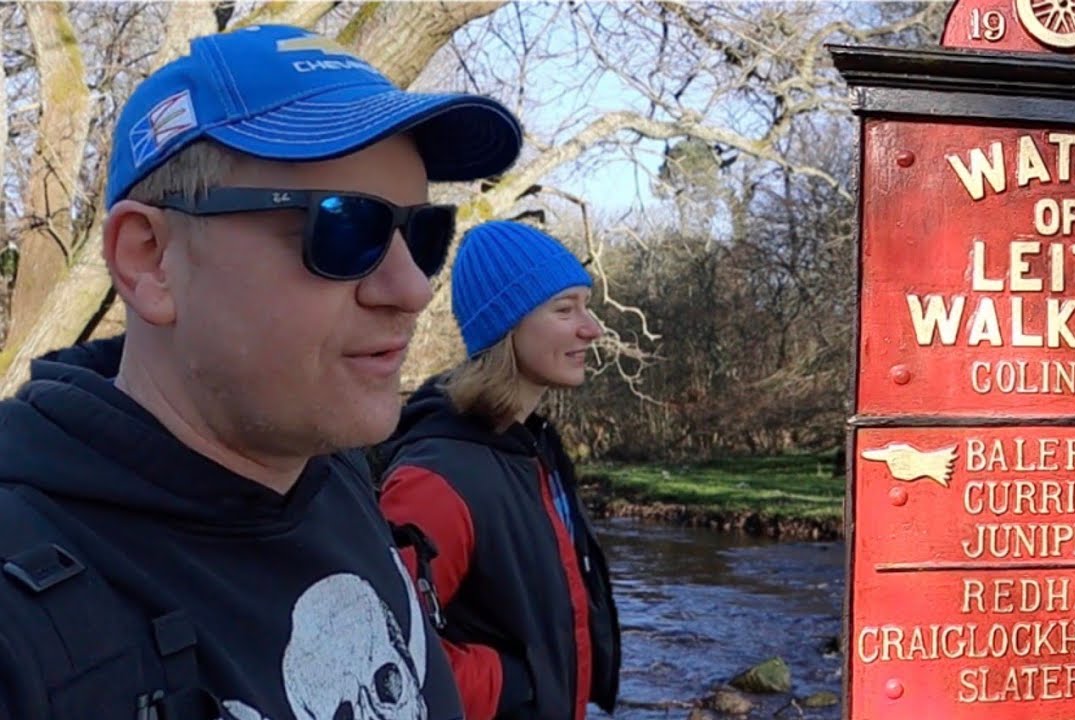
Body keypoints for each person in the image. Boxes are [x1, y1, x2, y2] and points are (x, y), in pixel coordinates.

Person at [0, 23, 522, 720]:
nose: (413, 288)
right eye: (347, 227)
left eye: (423, 234)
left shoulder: (337, 476)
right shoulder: (23, 613)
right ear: (150, 260)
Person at [377, 220, 622, 720]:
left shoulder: (535, 450)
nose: (592, 328)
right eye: (565, 309)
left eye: (587, 305)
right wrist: (514, 687)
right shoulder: (435, 481)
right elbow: (380, 649)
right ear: (508, 326)